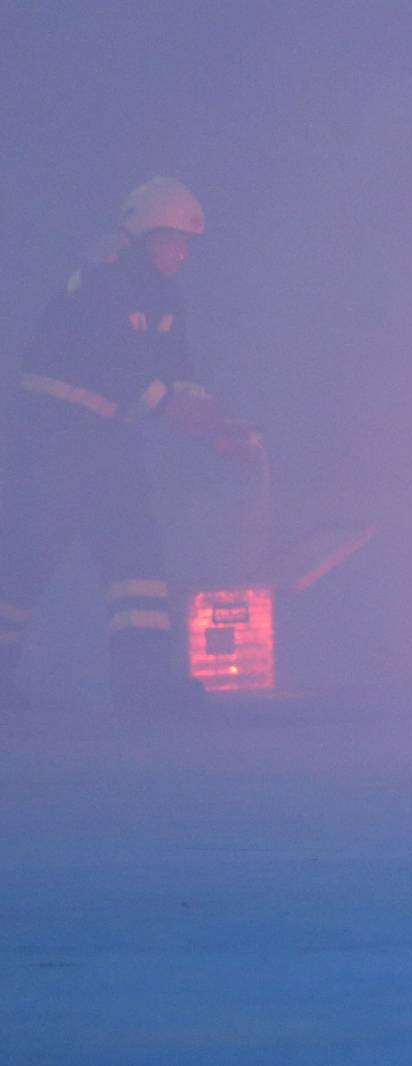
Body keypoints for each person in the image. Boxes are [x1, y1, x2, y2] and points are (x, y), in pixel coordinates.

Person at [0, 177, 260, 713]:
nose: (179, 253)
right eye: (169, 241)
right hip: (50, 440)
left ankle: (143, 687)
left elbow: (177, 373)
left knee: (138, 563)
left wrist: (218, 426)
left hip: (105, 441)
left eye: (186, 245)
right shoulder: (103, 282)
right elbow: (117, 368)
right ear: (140, 237)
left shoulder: (162, 297)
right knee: (25, 563)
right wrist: (184, 415)